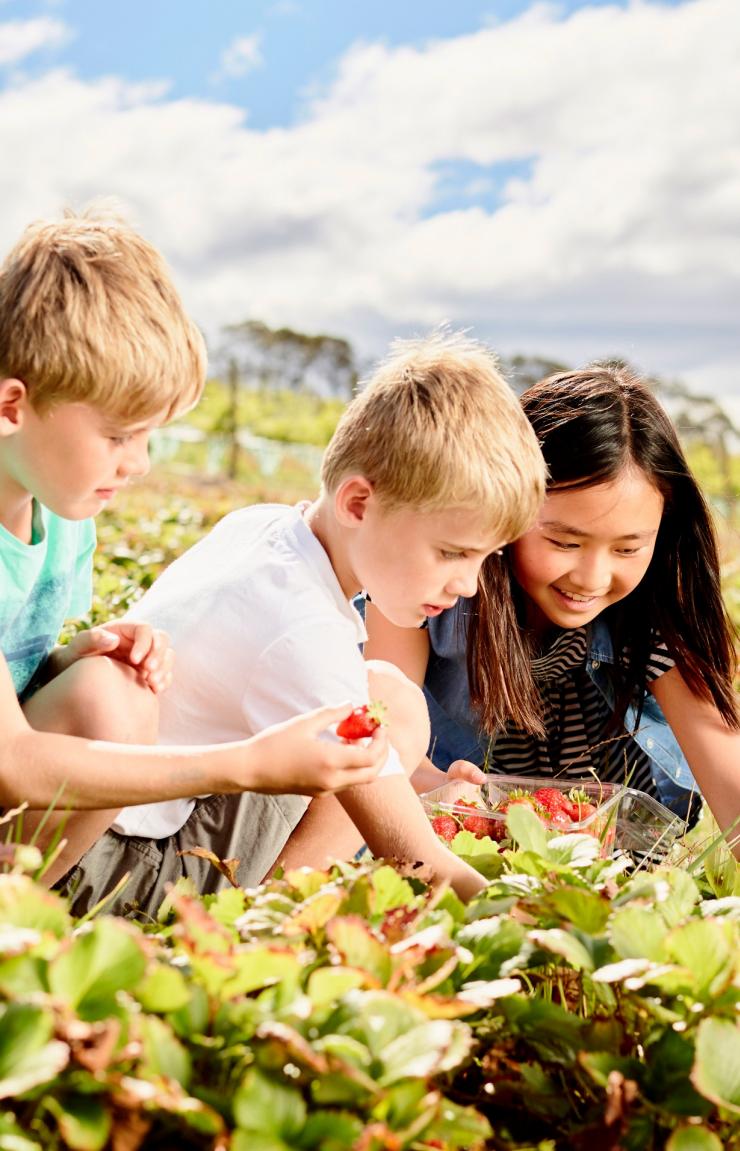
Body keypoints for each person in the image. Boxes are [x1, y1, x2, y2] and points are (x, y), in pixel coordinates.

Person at [59, 331, 548, 916]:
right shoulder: (304, 630)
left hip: (101, 820)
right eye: (450, 552)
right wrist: (529, 918)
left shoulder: (262, 528)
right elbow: (414, 858)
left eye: (483, 558)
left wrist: (429, 787)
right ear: (358, 504)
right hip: (121, 872)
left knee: (388, 694)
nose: (467, 584)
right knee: (379, 722)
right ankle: (267, 913)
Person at [0, 209, 390, 888]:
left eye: (150, 436)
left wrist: (73, 653)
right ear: (11, 407)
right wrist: (245, 763)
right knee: (110, 703)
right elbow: (14, 759)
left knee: (112, 683)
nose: (140, 462)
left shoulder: (62, 517)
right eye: (120, 435)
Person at [364, 364, 740, 851]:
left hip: (608, 859)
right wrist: (443, 788)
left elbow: (730, 782)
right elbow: (382, 745)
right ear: (506, 508)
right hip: (449, 848)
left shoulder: (653, 617)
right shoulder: (427, 593)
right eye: (565, 542)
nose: (592, 579)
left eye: (628, 549)